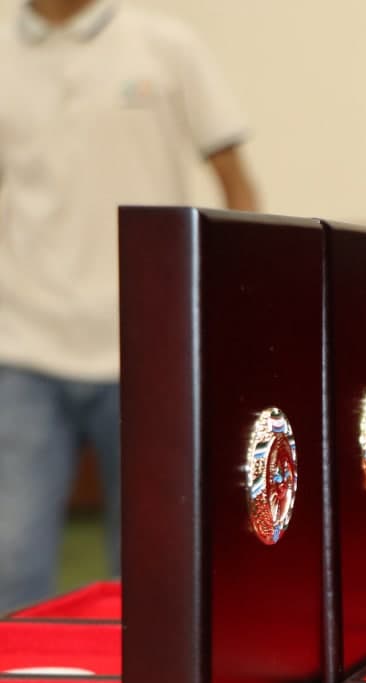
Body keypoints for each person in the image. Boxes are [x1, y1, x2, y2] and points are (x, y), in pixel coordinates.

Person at [0, 0, 257, 612]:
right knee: (11, 557)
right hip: (21, 343)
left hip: (151, 344)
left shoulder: (166, 45)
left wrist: (241, 299)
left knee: (154, 567)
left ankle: (149, 678)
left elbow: (235, 181)